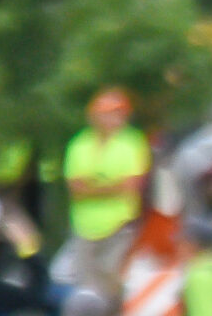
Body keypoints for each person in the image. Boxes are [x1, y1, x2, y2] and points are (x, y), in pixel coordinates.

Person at [58, 90, 150, 291]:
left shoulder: (132, 142)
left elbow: (132, 186)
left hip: (120, 224)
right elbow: (76, 189)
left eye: (119, 113)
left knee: (113, 279)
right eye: (107, 113)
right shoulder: (79, 144)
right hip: (85, 225)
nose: (113, 118)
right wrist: (113, 186)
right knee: (86, 282)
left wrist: (93, 186)